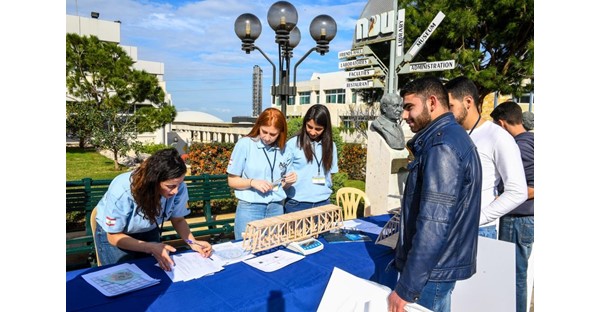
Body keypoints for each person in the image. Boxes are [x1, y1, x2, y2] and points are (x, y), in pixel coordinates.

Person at [387, 77, 482, 312]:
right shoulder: (449, 137)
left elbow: (434, 222)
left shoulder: (443, 147)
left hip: (430, 273)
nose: (404, 116)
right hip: (435, 269)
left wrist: (407, 288)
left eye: (409, 107)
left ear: (431, 102)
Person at [94, 148, 212, 271]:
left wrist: (192, 242)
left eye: (179, 184)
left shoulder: (178, 187)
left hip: (148, 229)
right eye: (170, 186)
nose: (176, 191)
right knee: (123, 277)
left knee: (155, 272)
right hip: (119, 235)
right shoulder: (122, 189)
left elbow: (178, 220)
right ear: (153, 181)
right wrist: (150, 247)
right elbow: (113, 236)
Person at [445, 76, 527, 239]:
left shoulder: (497, 136)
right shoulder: (452, 133)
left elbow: (518, 191)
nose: (446, 112)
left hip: (478, 231)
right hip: (447, 228)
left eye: (450, 106)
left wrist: (477, 219)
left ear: (468, 102)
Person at [490, 101, 534, 312]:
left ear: (502, 124)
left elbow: (529, 188)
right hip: (525, 219)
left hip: (518, 220)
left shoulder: (519, 146)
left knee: (513, 275)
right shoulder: (532, 141)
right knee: (518, 273)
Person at [227, 108, 297, 240]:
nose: (267, 137)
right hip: (250, 208)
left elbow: (283, 186)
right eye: (264, 131)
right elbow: (232, 180)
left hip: (276, 208)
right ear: (258, 126)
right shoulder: (245, 144)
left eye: (273, 134)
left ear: (281, 133)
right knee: (246, 250)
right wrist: (252, 182)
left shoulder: (285, 150)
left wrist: (289, 181)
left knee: (275, 251)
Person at [284, 104, 338, 213]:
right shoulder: (292, 144)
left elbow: (330, 174)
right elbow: (283, 174)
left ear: (326, 128)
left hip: (323, 204)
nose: (313, 132)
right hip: (297, 204)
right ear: (305, 124)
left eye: (318, 129)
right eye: (309, 127)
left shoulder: (331, 146)